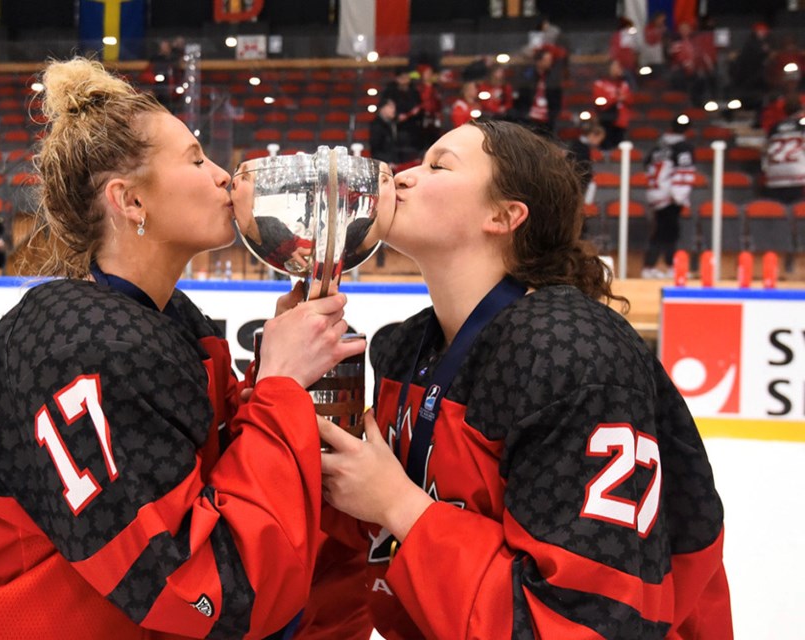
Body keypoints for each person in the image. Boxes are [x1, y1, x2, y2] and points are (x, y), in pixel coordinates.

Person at [0, 58, 365, 639]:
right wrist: (277, 388)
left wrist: (269, 380)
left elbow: (211, 474)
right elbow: (206, 589)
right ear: (129, 202)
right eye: (196, 160)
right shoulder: (85, 344)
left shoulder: (166, 318)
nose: (224, 177)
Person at [294, 120, 732, 638]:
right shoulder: (406, 348)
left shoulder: (571, 352)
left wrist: (400, 505)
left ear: (505, 215)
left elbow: (585, 622)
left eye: (438, 166)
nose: (401, 178)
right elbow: (363, 546)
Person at [643, 116, 696, 278]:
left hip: (655, 193)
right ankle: (663, 266)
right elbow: (683, 172)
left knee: (663, 231)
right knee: (667, 232)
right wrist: (679, 196)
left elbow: (646, 165)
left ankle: (659, 265)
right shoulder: (683, 147)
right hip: (669, 195)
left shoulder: (658, 147)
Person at [762, 96, 805, 205]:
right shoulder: (802, 125)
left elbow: (765, 149)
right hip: (797, 176)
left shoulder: (775, 127)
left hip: (774, 176)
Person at [513, 48, 563, 136]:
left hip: (547, 120)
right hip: (529, 118)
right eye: (547, 60)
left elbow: (556, 98)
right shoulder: (527, 77)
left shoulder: (553, 78)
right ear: (539, 61)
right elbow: (522, 97)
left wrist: (552, 114)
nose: (550, 62)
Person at [592, 59, 633, 149]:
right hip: (606, 117)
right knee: (606, 145)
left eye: (619, 67)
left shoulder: (624, 83)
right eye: (616, 67)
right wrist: (615, 98)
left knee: (619, 146)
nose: (619, 69)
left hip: (621, 119)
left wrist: (622, 98)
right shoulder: (600, 83)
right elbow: (599, 100)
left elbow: (630, 99)